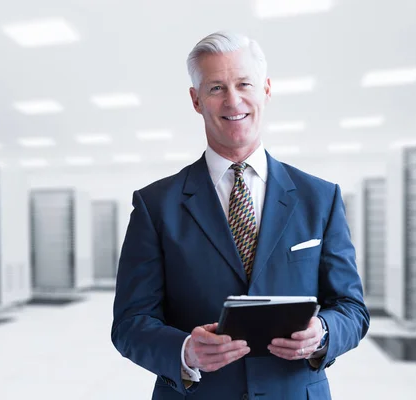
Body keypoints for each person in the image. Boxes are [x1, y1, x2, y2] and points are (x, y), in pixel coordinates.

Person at [111, 30, 370, 400]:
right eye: (216, 87)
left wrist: (323, 333)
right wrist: (185, 351)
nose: (233, 100)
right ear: (196, 100)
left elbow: (352, 309)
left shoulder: (320, 197)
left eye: (243, 83)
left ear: (265, 89)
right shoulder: (156, 204)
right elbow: (129, 324)